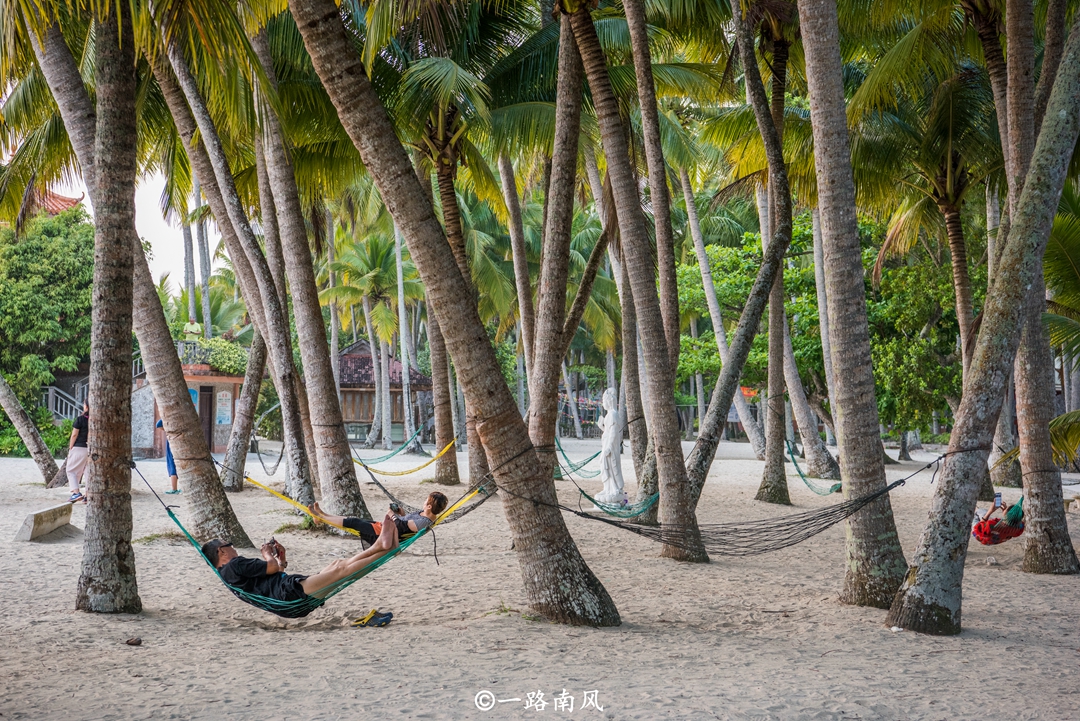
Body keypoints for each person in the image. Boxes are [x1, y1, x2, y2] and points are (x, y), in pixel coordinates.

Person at [200, 510, 400, 616]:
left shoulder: (227, 575)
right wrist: (267, 553)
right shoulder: (234, 565)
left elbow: (274, 572)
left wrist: (281, 559)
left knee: (337, 565)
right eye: (229, 545)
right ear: (221, 551)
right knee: (341, 571)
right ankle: (383, 548)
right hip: (288, 595)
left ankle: (382, 548)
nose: (233, 548)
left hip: (286, 600)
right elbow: (271, 567)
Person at [309, 492, 448, 546]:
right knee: (353, 520)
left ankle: (321, 518)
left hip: (382, 535)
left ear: (429, 506)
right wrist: (401, 513)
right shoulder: (425, 515)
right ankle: (322, 516)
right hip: (383, 527)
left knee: (352, 522)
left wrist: (391, 514)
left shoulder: (424, 522)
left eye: (425, 501)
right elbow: (405, 522)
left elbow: (401, 527)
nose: (423, 502)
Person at [66, 403, 90, 502]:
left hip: (79, 447)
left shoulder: (80, 419)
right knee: (88, 472)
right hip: (91, 449)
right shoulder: (95, 419)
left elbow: (74, 435)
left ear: (87, 406)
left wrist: (71, 446)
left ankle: (76, 493)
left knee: (71, 470)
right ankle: (88, 495)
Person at [155, 419, 180, 494]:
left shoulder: (170, 418)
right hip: (179, 443)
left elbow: (158, 424)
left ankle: (174, 489)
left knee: (172, 464)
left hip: (172, 443)